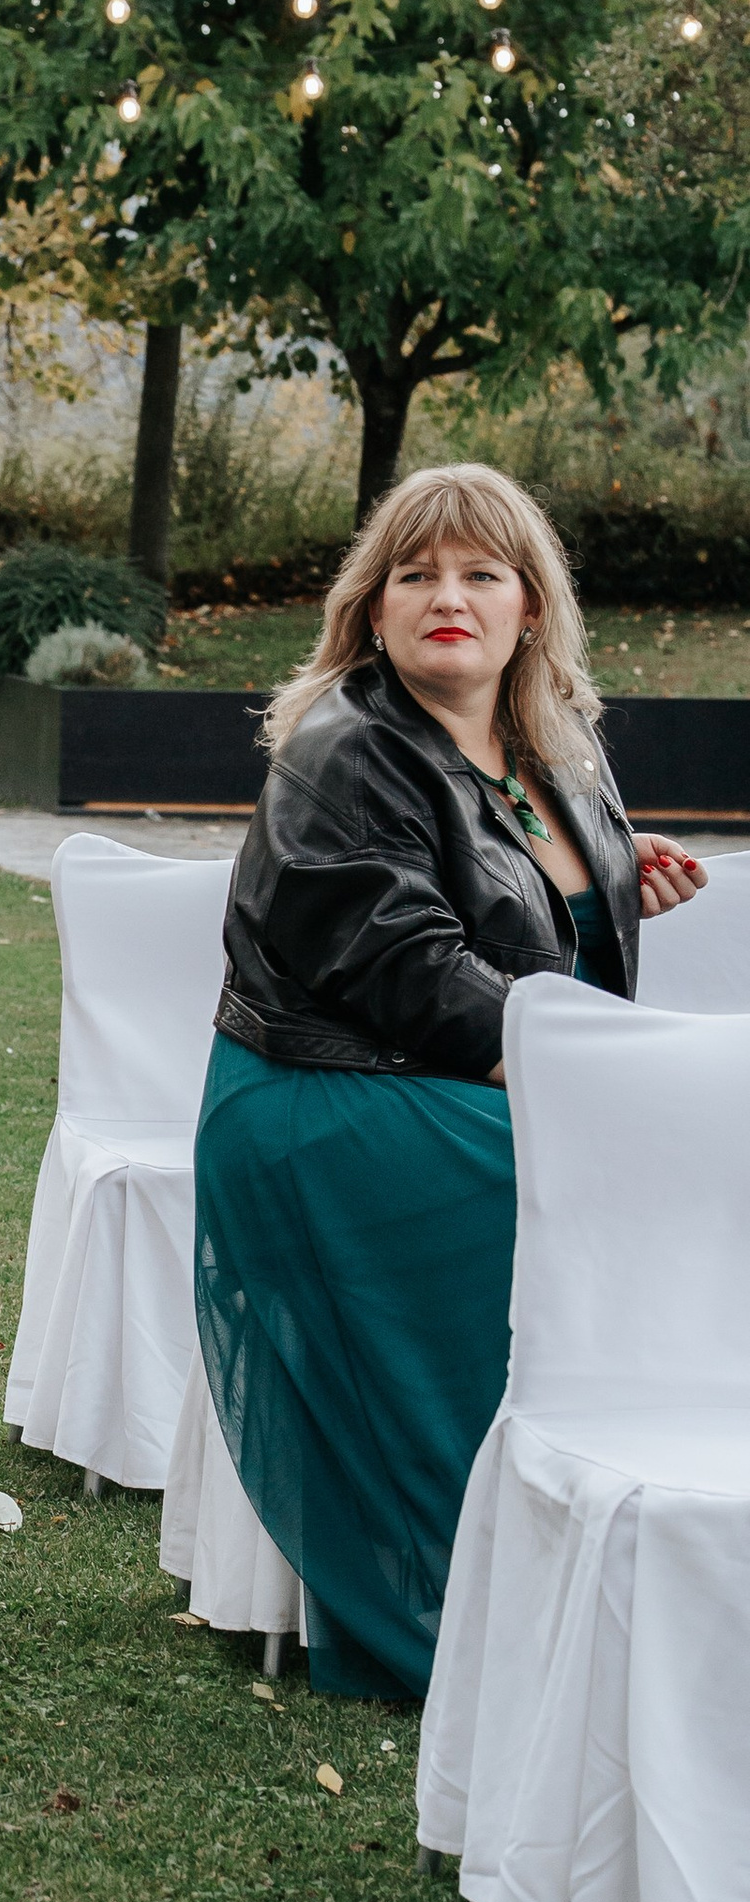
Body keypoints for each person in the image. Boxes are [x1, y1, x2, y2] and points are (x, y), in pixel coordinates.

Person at [197, 460, 703, 1702]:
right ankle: (500, 1597)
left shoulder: (553, 743)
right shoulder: (344, 747)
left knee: (671, 1186)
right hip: (327, 1097)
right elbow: (407, 965)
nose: (448, 598)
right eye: (415, 575)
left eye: (482, 573)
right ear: (371, 610)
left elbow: (496, 889)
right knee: (618, 1192)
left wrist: (599, 874)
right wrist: (597, 1104)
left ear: (530, 607)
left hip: (463, 1074)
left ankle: (643, 1534)